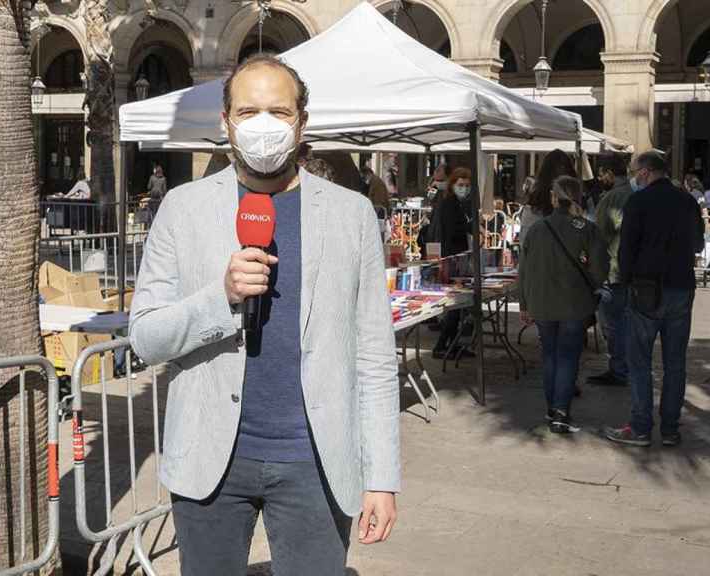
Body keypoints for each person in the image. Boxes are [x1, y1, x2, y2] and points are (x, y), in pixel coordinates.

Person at [128, 54, 399, 575]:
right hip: (211, 461)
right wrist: (221, 296)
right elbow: (146, 337)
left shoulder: (352, 214)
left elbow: (375, 358)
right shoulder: (182, 209)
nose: (264, 124)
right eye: (248, 111)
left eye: (279, 110)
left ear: (303, 121)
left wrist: (382, 476)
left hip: (316, 463)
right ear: (225, 122)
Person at [606, 151, 705, 448]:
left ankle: (640, 427)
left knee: (640, 362)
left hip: (646, 290)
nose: (634, 176)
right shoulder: (687, 201)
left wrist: (625, 283)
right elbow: (698, 243)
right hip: (681, 287)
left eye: (635, 171)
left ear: (646, 172)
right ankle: (671, 429)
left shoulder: (639, 201)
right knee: (675, 363)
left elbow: (626, 250)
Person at [520, 175, 608, 433]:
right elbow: (600, 269)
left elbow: (523, 269)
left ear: (553, 197)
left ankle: (552, 408)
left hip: (543, 303)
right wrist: (592, 289)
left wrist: (525, 302)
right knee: (568, 357)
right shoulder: (587, 229)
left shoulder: (537, 229)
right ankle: (560, 410)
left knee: (550, 355)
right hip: (575, 303)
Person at [589, 161, 635, 388]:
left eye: (601, 174)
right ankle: (623, 367)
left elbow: (599, 238)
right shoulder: (634, 194)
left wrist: (596, 275)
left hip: (613, 272)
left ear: (609, 173)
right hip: (629, 270)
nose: (599, 179)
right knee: (623, 322)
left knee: (613, 324)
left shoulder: (612, 198)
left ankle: (619, 369)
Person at [432, 167, 475, 359]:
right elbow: (451, 232)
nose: (464, 188)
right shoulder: (449, 204)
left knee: (458, 308)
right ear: (452, 185)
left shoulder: (458, 203)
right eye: (461, 185)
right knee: (454, 307)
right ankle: (442, 345)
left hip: (458, 257)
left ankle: (451, 343)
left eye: (467, 185)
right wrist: (469, 226)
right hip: (452, 259)